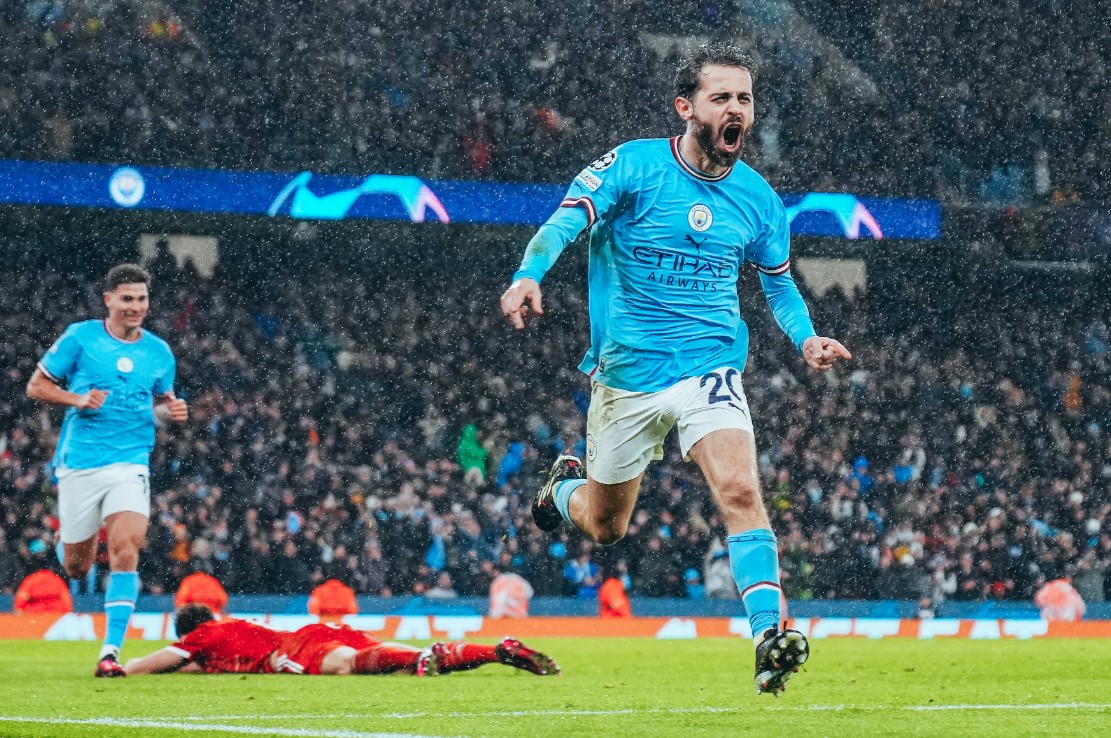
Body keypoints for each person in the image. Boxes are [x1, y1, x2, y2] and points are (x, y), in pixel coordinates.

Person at [500, 43, 851, 695]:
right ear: (685, 107)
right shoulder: (634, 166)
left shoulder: (758, 199)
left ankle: (768, 638)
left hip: (709, 368)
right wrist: (528, 274)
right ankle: (561, 492)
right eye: (721, 97)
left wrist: (805, 338)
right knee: (606, 526)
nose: (735, 108)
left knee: (740, 490)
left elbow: (778, 284)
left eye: (744, 98)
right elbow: (566, 220)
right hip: (626, 377)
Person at [25, 264, 188, 677]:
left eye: (142, 299)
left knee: (126, 549)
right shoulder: (81, 338)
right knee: (77, 567)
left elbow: (160, 405)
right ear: (109, 300)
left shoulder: (159, 352)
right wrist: (77, 400)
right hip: (80, 464)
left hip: (131, 463)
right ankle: (67, 543)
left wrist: (171, 412)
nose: (135, 306)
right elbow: (36, 386)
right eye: (127, 298)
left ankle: (110, 652)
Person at [123, 604, 560, 677]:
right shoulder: (230, 628)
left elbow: (166, 658)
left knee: (351, 664)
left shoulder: (203, 635)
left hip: (296, 649)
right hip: (321, 631)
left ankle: (420, 660)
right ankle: (496, 650)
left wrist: (122, 667)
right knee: (409, 659)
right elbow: (192, 664)